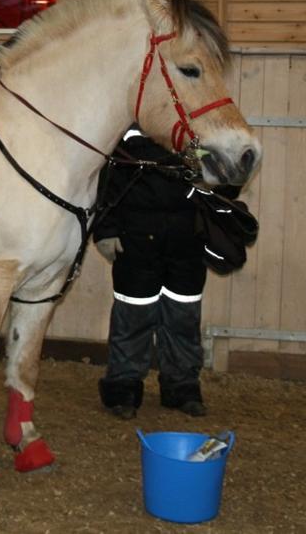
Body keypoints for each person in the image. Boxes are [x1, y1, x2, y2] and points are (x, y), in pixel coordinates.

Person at [92, 126, 231, 420]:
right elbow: (107, 184)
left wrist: (215, 180)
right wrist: (105, 230)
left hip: (186, 244)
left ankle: (182, 388)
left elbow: (225, 181)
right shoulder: (126, 136)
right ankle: (123, 390)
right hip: (137, 243)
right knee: (132, 318)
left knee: (183, 317)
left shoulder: (197, 137)